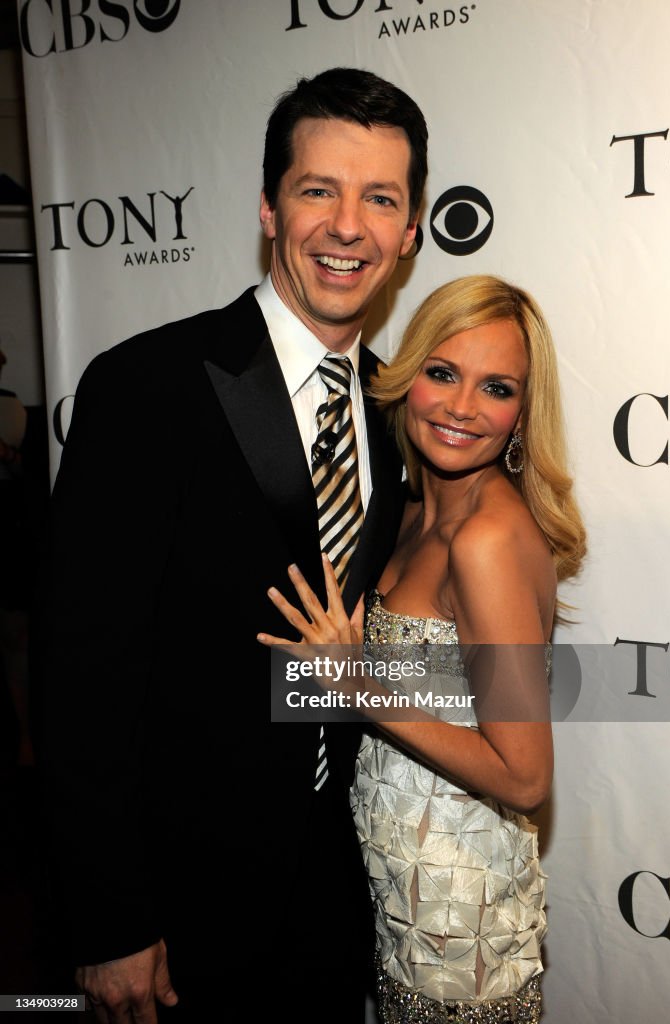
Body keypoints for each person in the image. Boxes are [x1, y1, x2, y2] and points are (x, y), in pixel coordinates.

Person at [34, 68, 428, 1023]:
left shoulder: (401, 412)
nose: (348, 225)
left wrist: (507, 696)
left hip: (343, 901)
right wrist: (110, 919)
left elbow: (344, 665)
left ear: (411, 230)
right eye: (316, 190)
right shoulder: (148, 385)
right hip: (178, 912)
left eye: (379, 197)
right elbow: (80, 673)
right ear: (267, 207)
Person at [258, 274, 587, 1022]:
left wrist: (357, 687)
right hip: (398, 885)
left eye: (496, 388)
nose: (463, 408)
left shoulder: (486, 541)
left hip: (455, 906)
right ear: (407, 377)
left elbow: (525, 777)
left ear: (521, 413)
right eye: (442, 373)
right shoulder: (405, 513)